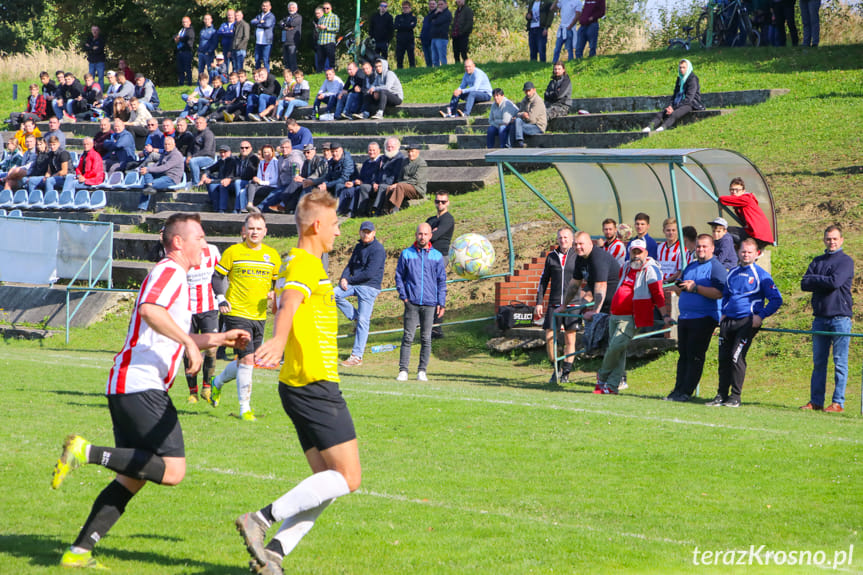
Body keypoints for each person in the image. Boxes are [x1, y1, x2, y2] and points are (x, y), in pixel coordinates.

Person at [49, 213, 250, 571]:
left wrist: (216, 339)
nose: (206, 245)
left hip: (132, 384)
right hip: (139, 383)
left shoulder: (180, 279)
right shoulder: (169, 271)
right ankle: (85, 451)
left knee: (133, 476)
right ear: (178, 243)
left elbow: (166, 331)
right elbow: (150, 310)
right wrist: (189, 342)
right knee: (172, 471)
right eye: (200, 238)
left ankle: (77, 552)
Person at [235, 190, 360, 575]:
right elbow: (289, 303)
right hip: (315, 383)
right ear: (318, 225)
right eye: (336, 224)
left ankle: (273, 553)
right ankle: (261, 518)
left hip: (297, 384)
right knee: (348, 478)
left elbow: (285, 299)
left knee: (327, 482)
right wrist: (276, 337)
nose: (339, 232)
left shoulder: (294, 260)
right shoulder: (305, 264)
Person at [209, 214, 281, 421]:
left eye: (259, 228)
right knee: (247, 359)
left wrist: (275, 295)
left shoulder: (272, 255)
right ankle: (244, 409)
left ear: (265, 231)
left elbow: (278, 283)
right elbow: (217, 276)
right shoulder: (234, 252)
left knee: (246, 361)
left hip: (259, 315)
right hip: (236, 313)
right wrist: (221, 298)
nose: (255, 232)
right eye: (251, 228)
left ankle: (217, 383)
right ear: (244, 230)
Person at [702, 238, 784, 408]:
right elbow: (726, 295)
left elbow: (776, 299)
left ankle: (735, 397)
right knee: (723, 358)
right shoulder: (732, 273)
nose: (746, 255)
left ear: (756, 254)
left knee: (736, 356)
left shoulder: (761, 275)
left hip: (746, 322)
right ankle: (721, 395)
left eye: (749, 252)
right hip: (728, 322)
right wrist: (723, 313)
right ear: (738, 252)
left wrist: (760, 315)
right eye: (743, 251)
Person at [595, 239, 666, 394]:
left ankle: (602, 376)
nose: (636, 256)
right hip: (615, 314)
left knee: (615, 347)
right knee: (618, 351)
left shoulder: (650, 269)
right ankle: (612, 387)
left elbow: (658, 294)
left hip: (631, 317)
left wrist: (665, 315)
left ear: (646, 253)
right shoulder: (626, 266)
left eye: (639, 252)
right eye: (634, 252)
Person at [663, 234, 727, 402]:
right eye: (698, 246)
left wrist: (696, 288)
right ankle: (677, 390)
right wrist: (679, 287)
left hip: (704, 317)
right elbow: (682, 288)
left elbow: (719, 293)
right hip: (685, 317)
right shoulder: (690, 267)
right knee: (683, 355)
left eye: (704, 246)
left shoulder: (716, 267)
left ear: (712, 248)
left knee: (694, 355)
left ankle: (686, 391)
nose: (700, 250)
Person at [800, 225, 854, 413]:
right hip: (820, 318)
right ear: (824, 240)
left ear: (841, 240)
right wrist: (822, 279)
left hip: (840, 317)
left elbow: (835, 282)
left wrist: (816, 279)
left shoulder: (846, 261)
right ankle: (816, 401)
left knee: (840, 362)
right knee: (819, 362)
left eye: (835, 239)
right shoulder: (818, 260)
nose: (831, 242)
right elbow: (804, 283)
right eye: (828, 238)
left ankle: (838, 402)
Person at [395, 223, 447, 381]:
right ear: (416, 235)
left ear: (430, 236)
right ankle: (403, 370)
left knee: (426, 338)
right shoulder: (406, 254)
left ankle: (422, 371)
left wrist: (441, 302)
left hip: (430, 303)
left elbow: (441, 281)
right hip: (412, 302)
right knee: (408, 336)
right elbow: (399, 276)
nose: (422, 237)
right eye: (420, 234)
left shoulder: (437, 256)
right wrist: (404, 296)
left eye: (425, 234)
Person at [336, 221, 387, 368]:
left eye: (369, 232)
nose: (366, 234)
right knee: (332, 294)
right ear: (359, 232)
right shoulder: (358, 247)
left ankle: (356, 356)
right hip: (354, 283)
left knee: (364, 321)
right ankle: (356, 317)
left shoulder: (378, 249)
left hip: (369, 287)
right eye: (363, 231)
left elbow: (369, 274)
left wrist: (350, 280)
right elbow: (350, 265)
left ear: (374, 233)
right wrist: (344, 278)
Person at [535, 228, 578, 384]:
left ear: (572, 239)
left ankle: (566, 371)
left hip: (573, 304)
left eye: (566, 237)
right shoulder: (551, 257)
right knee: (550, 337)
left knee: (569, 338)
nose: (563, 240)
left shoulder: (577, 256)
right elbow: (544, 280)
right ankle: (556, 369)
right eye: (560, 237)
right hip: (554, 303)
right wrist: (539, 302)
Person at [184, 241, 223, 403]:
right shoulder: (182, 252)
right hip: (187, 309)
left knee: (212, 348)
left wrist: (223, 297)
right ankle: (192, 392)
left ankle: (206, 387)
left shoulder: (213, 250)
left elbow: (220, 276)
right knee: (188, 349)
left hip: (210, 307)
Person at [643, 59, 703, 133]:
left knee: (675, 113)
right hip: (678, 102)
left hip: (690, 104)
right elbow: (675, 95)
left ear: (688, 68)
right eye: (680, 67)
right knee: (661, 113)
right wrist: (670, 106)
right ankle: (649, 127)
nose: (681, 69)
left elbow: (689, 98)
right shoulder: (679, 79)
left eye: (684, 67)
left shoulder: (692, 79)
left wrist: (674, 108)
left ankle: (663, 127)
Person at [719, 177, 775, 250]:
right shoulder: (742, 203)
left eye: (737, 190)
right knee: (729, 232)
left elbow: (722, 199)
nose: (734, 192)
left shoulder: (746, 199)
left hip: (758, 235)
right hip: (757, 234)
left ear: (743, 191)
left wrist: (722, 202)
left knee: (724, 230)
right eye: (732, 190)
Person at [137, 136, 185, 211]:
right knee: (148, 171)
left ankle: (142, 208)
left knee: (148, 183)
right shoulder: (165, 153)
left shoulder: (176, 155)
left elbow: (164, 167)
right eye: (165, 144)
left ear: (174, 145)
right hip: (163, 175)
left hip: (171, 178)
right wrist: (147, 169)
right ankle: (149, 185)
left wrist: (149, 169)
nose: (167, 146)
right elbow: (158, 164)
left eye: (169, 144)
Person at [339, 141, 383, 217]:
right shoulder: (366, 162)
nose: (371, 152)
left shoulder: (380, 162)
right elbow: (361, 176)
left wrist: (363, 183)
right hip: (362, 184)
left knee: (359, 189)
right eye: (370, 150)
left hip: (372, 186)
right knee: (346, 189)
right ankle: (340, 210)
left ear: (379, 151)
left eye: (373, 150)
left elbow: (377, 177)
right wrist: (353, 182)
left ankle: (353, 211)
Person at [383, 142, 426, 213]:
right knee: (389, 188)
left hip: (417, 188)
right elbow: (400, 177)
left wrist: (398, 184)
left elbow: (415, 180)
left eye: (412, 151)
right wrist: (396, 184)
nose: (410, 154)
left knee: (400, 186)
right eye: (408, 152)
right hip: (403, 186)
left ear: (417, 152)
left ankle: (395, 209)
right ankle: (386, 209)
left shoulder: (421, 163)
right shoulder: (405, 161)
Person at [509, 82, 547, 148]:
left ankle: (518, 143)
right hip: (527, 124)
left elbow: (532, 120)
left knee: (516, 124)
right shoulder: (524, 100)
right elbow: (519, 113)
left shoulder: (537, 101)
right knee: (515, 122)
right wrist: (522, 115)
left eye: (529, 91)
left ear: (534, 90)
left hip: (538, 126)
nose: (527, 93)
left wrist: (521, 117)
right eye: (526, 91)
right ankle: (512, 144)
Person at [201, 144, 238, 210]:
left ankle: (218, 208)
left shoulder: (233, 162)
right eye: (221, 152)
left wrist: (212, 181)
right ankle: (213, 201)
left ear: (229, 152)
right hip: (220, 180)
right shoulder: (221, 161)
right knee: (207, 179)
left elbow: (228, 178)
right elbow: (210, 169)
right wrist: (205, 175)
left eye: (225, 152)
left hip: (229, 181)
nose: (223, 154)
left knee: (212, 184)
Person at [251, 1, 276, 72]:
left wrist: (258, 23)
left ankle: (266, 76)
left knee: (265, 60)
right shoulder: (259, 15)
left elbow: (267, 25)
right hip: (258, 41)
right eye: (263, 6)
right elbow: (252, 22)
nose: (264, 7)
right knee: (257, 59)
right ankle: (257, 75)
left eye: (266, 6)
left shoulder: (271, 16)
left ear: (270, 7)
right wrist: (260, 21)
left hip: (267, 42)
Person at [657, 217, 683, 283]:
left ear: (677, 231)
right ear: (663, 231)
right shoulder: (660, 247)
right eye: (668, 230)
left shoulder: (682, 248)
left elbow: (680, 271)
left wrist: (666, 281)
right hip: (660, 281)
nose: (671, 233)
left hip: (672, 283)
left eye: (673, 230)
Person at [316, 3, 340, 73]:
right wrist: (319, 28)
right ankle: (320, 73)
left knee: (331, 59)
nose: (326, 10)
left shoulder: (334, 17)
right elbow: (318, 30)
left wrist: (326, 28)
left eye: (327, 8)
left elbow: (336, 29)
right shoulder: (321, 18)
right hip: (321, 42)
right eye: (324, 8)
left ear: (331, 9)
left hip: (329, 41)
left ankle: (332, 73)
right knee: (320, 60)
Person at [280, 3, 303, 73]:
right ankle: (288, 75)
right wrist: (286, 26)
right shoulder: (286, 17)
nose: (291, 9)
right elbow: (280, 23)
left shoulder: (298, 17)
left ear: (296, 9)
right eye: (290, 8)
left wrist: (285, 25)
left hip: (293, 41)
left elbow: (292, 23)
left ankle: (294, 74)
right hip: (285, 41)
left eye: (293, 7)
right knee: (286, 60)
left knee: (292, 59)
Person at [394, 1, 418, 68]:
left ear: (410, 8)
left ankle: (412, 71)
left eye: (406, 8)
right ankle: (400, 72)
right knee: (399, 58)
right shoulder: (398, 17)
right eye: (403, 8)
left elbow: (412, 26)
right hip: (400, 40)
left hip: (409, 40)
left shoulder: (413, 18)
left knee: (411, 57)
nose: (405, 9)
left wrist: (401, 25)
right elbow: (395, 26)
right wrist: (407, 25)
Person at [429, 0, 452, 66]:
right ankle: (436, 72)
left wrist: (434, 21)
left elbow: (437, 22)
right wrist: (435, 13)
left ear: (446, 4)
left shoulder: (447, 13)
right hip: (434, 37)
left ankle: (444, 70)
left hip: (441, 38)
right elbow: (429, 19)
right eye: (439, 4)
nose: (440, 6)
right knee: (434, 58)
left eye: (441, 4)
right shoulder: (438, 12)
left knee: (442, 57)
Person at [175, 16, 196, 86]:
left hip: (187, 51)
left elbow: (187, 37)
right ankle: (181, 83)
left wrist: (179, 38)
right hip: (180, 51)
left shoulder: (190, 30)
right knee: (180, 69)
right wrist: (177, 38)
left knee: (187, 68)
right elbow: (175, 36)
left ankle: (189, 83)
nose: (185, 23)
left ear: (189, 22)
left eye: (186, 22)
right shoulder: (181, 30)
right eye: (183, 22)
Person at [198, 14, 218, 78]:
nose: (207, 21)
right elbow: (200, 41)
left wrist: (209, 51)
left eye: (208, 19)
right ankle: (200, 83)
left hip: (208, 54)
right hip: (201, 53)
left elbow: (215, 43)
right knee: (200, 70)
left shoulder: (213, 31)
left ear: (211, 20)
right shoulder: (202, 30)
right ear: (203, 20)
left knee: (210, 70)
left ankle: (211, 83)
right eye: (205, 19)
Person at [421, 0, 438, 67]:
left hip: (432, 40)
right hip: (425, 40)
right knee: (427, 59)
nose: (432, 5)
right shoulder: (426, 16)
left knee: (433, 58)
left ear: (436, 5)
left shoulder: (437, 14)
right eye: (430, 4)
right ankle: (428, 71)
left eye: (433, 4)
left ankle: (435, 72)